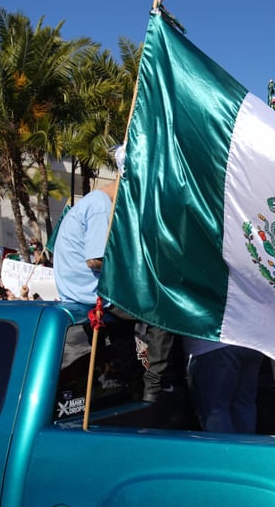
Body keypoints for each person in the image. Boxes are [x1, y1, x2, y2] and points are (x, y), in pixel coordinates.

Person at [53, 148, 179, 404]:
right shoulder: (101, 206)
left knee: (124, 337)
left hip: (90, 292)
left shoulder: (94, 203)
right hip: (94, 294)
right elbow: (96, 259)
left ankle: (134, 385)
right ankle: (155, 385)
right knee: (163, 310)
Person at [183, 337, 263, 433]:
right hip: (250, 341)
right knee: (243, 405)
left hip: (212, 343)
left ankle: (224, 447)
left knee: (215, 410)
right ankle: (244, 446)